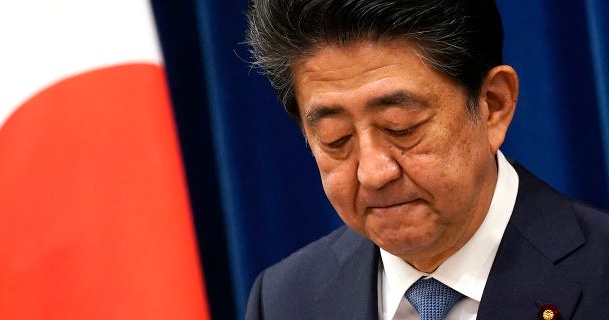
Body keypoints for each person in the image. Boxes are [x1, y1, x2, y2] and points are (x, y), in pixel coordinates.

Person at [244, 0, 609, 319]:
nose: (373, 173)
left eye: (400, 127)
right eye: (336, 138)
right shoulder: (283, 299)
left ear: (493, 105)